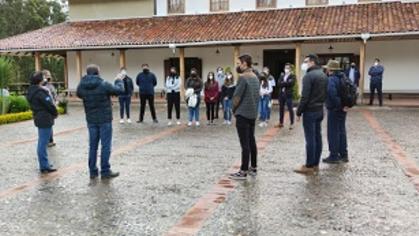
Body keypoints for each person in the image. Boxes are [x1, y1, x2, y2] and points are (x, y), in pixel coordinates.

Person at [76, 64, 124, 179]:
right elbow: (119, 91)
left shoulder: (81, 86)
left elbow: (79, 94)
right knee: (105, 146)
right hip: (105, 119)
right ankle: (105, 171)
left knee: (93, 146)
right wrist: (118, 80)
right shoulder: (104, 84)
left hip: (91, 119)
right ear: (97, 72)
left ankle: (92, 171)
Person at [294, 54, 328, 175]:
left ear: (312, 62)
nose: (305, 64)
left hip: (310, 111)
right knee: (317, 137)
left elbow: (305, 97)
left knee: (310, 139)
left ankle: (309, 165)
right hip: (319, 109)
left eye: (306, 61)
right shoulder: (323, 75)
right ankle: (315, 164)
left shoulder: (309, 76)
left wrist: (299, 112)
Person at [229, 54, 260, 180]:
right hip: (252, 113)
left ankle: (243, 170)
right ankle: (253, 167)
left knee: (245, 143)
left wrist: (233, 109)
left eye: (239, 63)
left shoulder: (243, 78)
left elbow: (237, 97)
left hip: (242, 114)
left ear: (245, 64)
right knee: (251, 141)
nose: (237, 66)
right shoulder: (255, 77)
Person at [26, 71, 58, 174]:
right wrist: (55, 112)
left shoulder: (31, 91)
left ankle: (44, 164)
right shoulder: (40, 92)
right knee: (43, 143)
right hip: (45, 118)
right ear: (40, 80)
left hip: (38, 117)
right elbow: (49, 104)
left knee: (42, 141)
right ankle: (44, 166)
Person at [323, 60, 349, 164]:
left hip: (335, 109)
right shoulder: (343, 77)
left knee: (333, 132)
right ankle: (344, 155)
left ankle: (334, 155)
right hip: (343, 109)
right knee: (342, 131)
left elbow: (332, 94)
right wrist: (344, 105)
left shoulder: (331, 80)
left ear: (330, 70)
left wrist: (338, 106)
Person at [276, 63, 295, 129]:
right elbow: (278, 83)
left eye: (288, 68)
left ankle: (291, 123)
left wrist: (283, 83)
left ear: (290, 69)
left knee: (290, 109)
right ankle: (281, 122)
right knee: (281, 109)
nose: (286, 69)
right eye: (285, 68)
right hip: (281, 94)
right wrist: (285, 83)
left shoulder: (292, 76)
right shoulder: (282, 75)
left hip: (288, 94)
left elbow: (291, 83)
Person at [42, 70, 58, 147]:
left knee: (48, 126)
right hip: (49, 108)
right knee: (49, 125)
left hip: (46, 109)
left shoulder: (44, 86)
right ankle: (48, 140)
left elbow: (54, 96)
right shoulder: (49, 86)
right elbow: (54, 97)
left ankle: (48, 140)